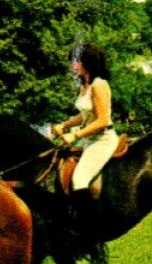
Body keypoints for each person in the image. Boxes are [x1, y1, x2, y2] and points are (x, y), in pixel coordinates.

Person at [49, 42, 122, 225]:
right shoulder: (85, 85)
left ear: (87, 62)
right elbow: (85, 116)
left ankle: (89, 226)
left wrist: (75, 136)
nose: (73, 66)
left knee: (79, 179)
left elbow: (103, 120)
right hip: (89, 140)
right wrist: (65, 125)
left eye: (76, 62)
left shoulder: (99, 85)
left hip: (103, 140)